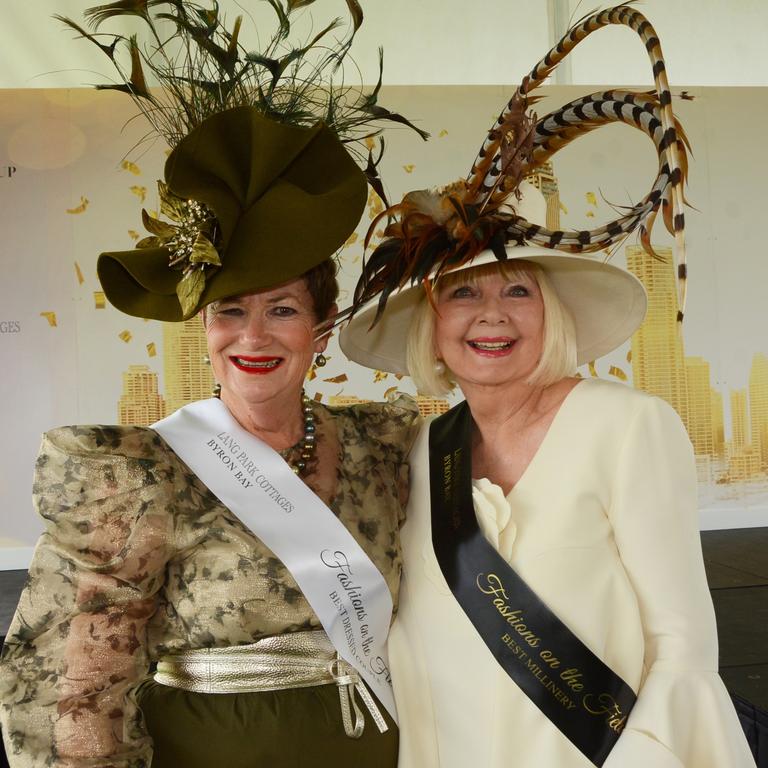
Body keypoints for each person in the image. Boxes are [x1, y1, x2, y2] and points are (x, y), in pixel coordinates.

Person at [0, 3, 424, 767]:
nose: (254, 336)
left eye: (283, 310)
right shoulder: (139, 475)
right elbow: (76, 691)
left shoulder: (381, 450)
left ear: (321, 328)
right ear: (204, 327)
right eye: (231, 311)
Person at [339, 6, 756, 767]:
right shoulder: (428, 448)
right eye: (464, 294)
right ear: (429, 323)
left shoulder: (627, 426)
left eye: (518, 292)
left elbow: (683, 645)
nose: (491, 315)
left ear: (552, 312)